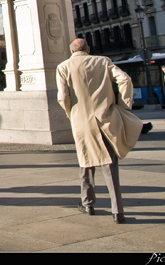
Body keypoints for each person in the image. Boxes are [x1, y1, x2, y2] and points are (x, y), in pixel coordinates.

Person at [56, 38, 142, 224]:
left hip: (81, 120)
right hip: (106, 117)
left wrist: (71, 112)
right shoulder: (103, 61)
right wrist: (123, 104)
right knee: (110, 165)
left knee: (85, 162)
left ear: (71, 51)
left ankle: (88, 203)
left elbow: (63, 96)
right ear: (88, 49)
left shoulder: (63, 67)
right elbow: (125, 79)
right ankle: (117, 211)